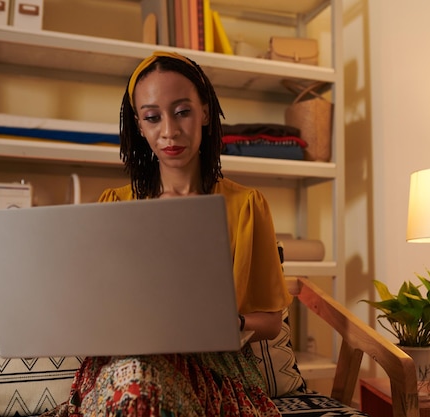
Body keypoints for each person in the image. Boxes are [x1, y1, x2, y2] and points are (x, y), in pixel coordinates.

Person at [44, 51, 292, 417]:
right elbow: (95, 311)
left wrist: (229, 323)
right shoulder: (114, 206)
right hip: (124, 364)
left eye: (182, 112)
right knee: (138, 381)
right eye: (152, 117)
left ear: (205, 113)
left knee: (142, 387)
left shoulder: (246, 207)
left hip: (215, 368)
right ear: (139, 126)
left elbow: (271, 322)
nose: (169, 131)